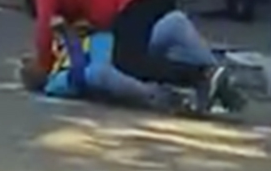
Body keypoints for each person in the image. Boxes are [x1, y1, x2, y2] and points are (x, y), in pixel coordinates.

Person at [25, 0, 244, 114]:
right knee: (168, 29)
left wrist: (44, 65)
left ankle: (201, 75)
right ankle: (217, 77)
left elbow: (44, 28)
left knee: (127, 61)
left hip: (132, 1)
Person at [19, 20, 185, 111]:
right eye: (32, 68)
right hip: (108, 67)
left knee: (170, 28)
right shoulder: (55, 83)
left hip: (114, 42)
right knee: (96, 73)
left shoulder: (57, 51)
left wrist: (79, 31)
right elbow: (79, 73)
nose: (35, 60)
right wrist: (70, 37)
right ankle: (158, 95)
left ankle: (202, 62)